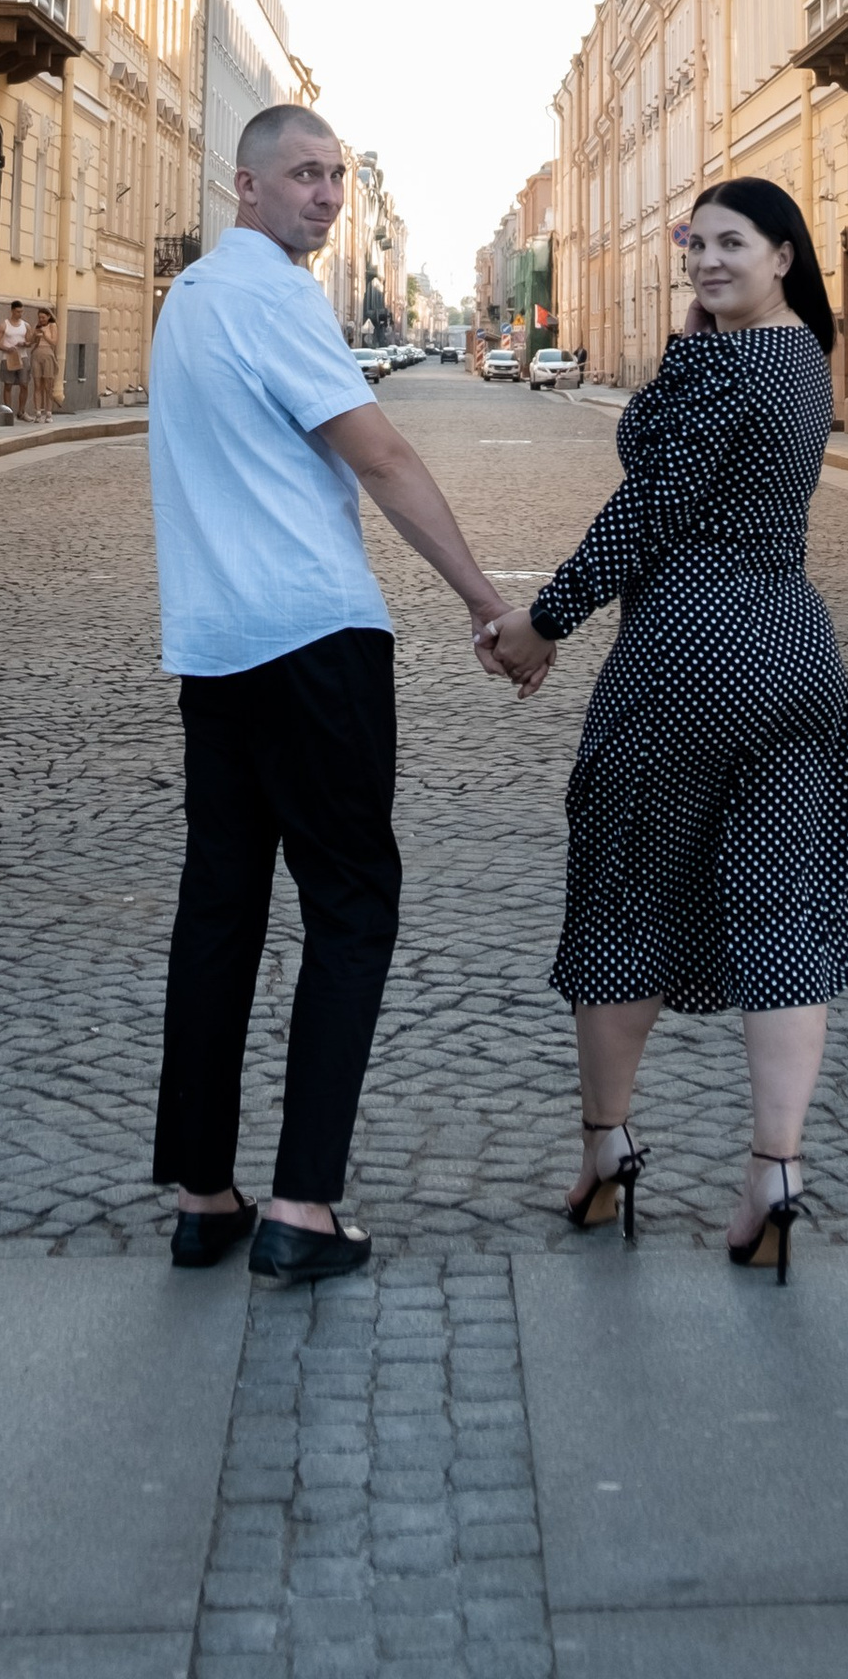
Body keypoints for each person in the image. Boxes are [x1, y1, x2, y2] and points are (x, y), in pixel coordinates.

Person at [148, 104, 526, 1281]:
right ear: (246, 188)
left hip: (213, 650)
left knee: (220, 914)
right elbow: (382, 455)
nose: (322, 195)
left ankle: (204, 1196)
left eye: (333, 178)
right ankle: (302, 1206)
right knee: (352, 910)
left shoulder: (188, 304)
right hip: (313, 641)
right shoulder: (276, 297)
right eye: (300, 176)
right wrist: (483, 601)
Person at [482, 177, 848, 1283]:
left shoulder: (719, 362)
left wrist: (541, 621)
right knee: (782, 901)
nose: (704, 260)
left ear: (784, 252)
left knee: (626, 895)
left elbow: (646, 510)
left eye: (730, 244)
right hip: (794, 649)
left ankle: (606, 1152)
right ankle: (774, 1171)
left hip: (685, 652)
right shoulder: (803, 360)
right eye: (694, 245)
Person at [0, 296, 31, 421]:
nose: (20, 314)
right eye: (17, 312)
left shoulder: (26, 325)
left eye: (21, 312)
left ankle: (22, 411)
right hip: (8, 357)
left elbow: (30, 341)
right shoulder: (4, 325)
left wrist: (25, 344)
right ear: (12, 311)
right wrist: (7, 348)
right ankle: (9, 412)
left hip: (23, 357)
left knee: (24, 384)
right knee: (8, 385)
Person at [28, 307, 61, 422]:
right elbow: (31, 341)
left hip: (48, 353)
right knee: (37, 384)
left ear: (48, 316)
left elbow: (54, 342)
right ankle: (37, 412)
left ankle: (49, 412)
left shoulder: (52, 326)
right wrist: (34, 335)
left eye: (43, 317)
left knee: (48, 385)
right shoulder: (37, 327)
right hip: (37, 354)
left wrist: (44, 335)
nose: (41, 319)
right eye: (39, 317)